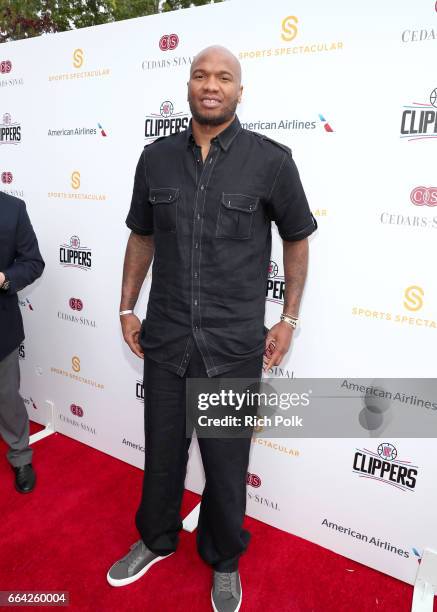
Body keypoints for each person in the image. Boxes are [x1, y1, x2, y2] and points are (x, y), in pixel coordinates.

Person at [107, 45, 317, 611]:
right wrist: (128, 307)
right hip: (167, 338)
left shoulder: (271, 161)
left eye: (224, 77)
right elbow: (141, 235)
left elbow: (297, 237)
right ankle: (155, 539)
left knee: (226, 465)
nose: (211, 84)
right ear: (189, 85)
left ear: (239, 91)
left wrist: (289, 317)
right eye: (201, 74)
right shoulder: (155, 159)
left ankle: (223, 559)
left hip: (231, 348)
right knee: (162, 456)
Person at [0, 192, 45, 493]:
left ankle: (20, 455)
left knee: (6, 397)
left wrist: (3, 277)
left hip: (1, 327)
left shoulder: (12, 208)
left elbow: (32, 262)